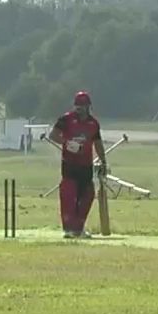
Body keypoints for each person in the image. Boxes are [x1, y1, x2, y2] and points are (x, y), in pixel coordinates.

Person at [48, 90, 108, 238]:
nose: (80, 110)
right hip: (69, 164)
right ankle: (68, 229)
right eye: (78, 107)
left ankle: (78, 228)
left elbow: (98, 144)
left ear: (88, 107)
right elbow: (53, 135)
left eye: (83, 107)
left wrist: (103, 161)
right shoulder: (66, 119)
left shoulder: (93, 123)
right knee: (69, 194)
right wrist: (68, 144)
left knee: (87, 195)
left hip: (86, 165)